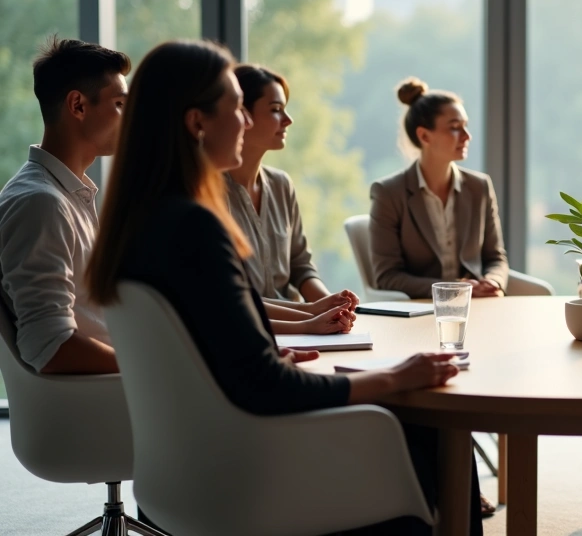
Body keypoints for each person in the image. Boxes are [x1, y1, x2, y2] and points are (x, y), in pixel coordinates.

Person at [84, 40, 484, 535]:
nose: (246, 122)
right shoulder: (195, 229)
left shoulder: (139, 225)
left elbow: (214, 357)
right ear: (197, 123)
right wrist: (395, 376)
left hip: (186, 469)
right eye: (237, 108)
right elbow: (269, 388)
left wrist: (263, 354)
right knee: (438, 433)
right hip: (250, 470)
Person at [0, 38, 129, 374]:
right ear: (78, 106)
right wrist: (148, 371)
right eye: (119, 104)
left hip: (118, 388)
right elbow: (50, 345)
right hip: (103, 396)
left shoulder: (66, 196)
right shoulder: (40, 203)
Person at [225, 64, 358, 335]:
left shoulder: (281, 184)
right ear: (242, 115)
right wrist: (310, 317)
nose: (288, 120)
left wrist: (331, 305)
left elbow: (300, 265)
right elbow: (228, 298)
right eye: (275, 109)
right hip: (255, 330)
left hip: (299, 328)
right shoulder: (209, 194)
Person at [368, 77, 508, 299]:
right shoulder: (388, 193)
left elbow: (495, 258)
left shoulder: (479, 187)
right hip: (421, 309)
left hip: (476, 305)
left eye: (465, 126)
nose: (467, 136)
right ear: (424, 136)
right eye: (455, 128)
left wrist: (493, 282)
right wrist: (456, 288)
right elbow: (387, 277)